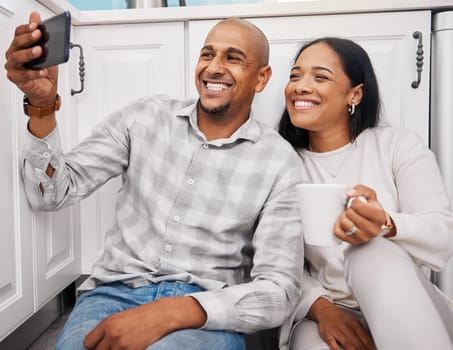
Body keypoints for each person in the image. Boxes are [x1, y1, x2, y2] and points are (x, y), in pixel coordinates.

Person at [5, 12, 304, 350]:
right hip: (110, 296)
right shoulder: (145, 117)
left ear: (261, 78)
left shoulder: (279, 161)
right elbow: (51, 194)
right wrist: (42, 108)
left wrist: (173, 311)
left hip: (204, 312)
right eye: (208, 54)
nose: (214, 67)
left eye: (232, 57)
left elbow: (280, 291)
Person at [278, 37, 453, 350]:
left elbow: (441, 236)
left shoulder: (397, 145)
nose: (300, 87)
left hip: (411, 308)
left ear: (355, 94)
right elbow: (274, 260)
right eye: (295, 76)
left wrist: (386, 224)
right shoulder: (282, 164)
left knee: (368, 251)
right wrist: (322, 309)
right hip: (330, 311)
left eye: (320, 77)